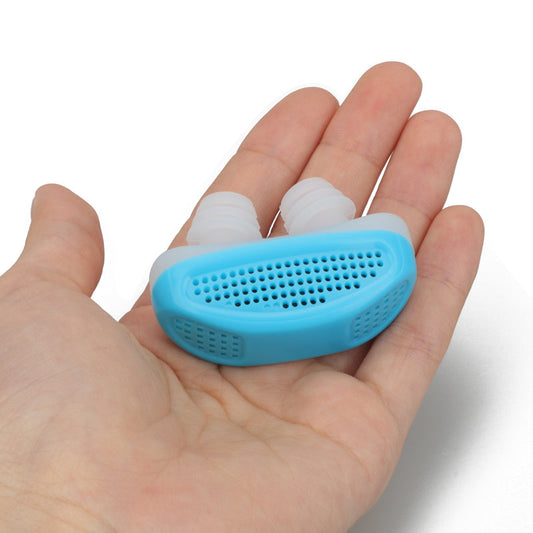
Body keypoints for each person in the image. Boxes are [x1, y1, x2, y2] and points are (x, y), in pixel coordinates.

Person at [0, 62, 483, 532]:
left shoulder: (196, 290)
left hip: (214, 293)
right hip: (364, 268)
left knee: (231, 221)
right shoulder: (372, 259)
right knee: (282, 213)